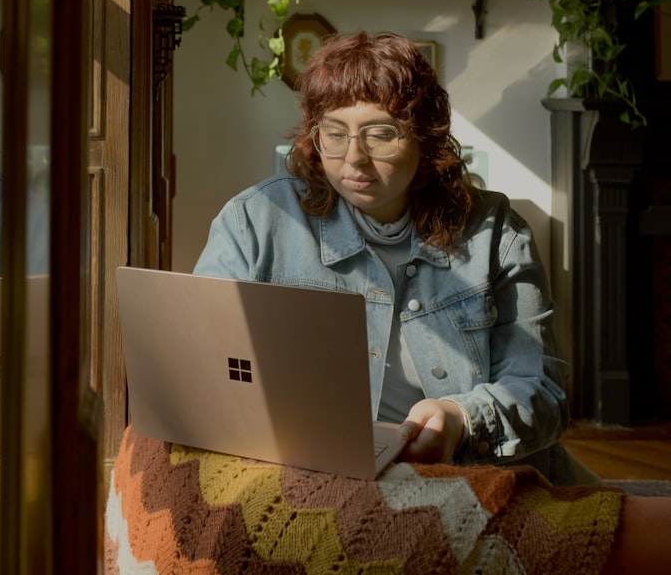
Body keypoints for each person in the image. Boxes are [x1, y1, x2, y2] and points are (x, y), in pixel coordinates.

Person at [193, 30, 576, 484]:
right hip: (312, 472)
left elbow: (542, 391)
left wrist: (461, 420)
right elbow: (201, 366)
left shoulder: (497, 235)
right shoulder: (253, 222)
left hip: (473, 475)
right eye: (334, 134)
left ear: (425, 138)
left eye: (381, 134)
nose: (355, 159)